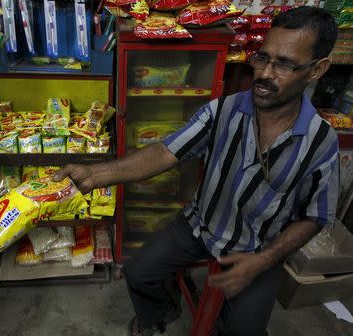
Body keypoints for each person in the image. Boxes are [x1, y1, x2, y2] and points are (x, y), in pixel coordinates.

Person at [53, 6, 339, 336]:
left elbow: (315, 216)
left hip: (260, 248)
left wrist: (263, 261)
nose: (265, 74)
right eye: (263, 58)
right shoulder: (224, 110)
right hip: (200, 226)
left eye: (285, 64)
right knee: (138, 272)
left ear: (318, 69)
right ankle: (163, 309)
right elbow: (164, 151)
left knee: (243, 331)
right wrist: (95, 176)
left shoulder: (321, 142)